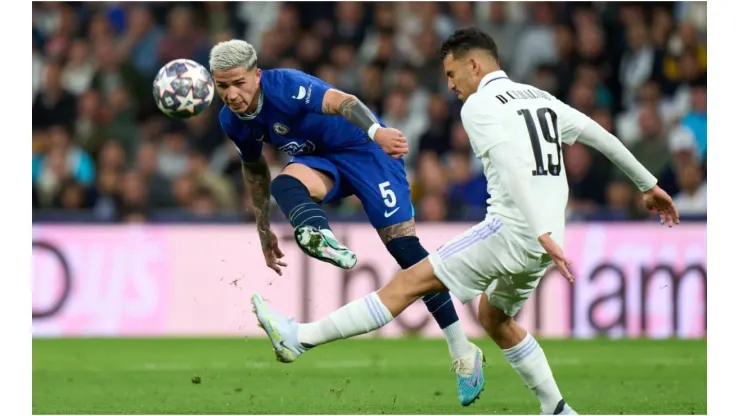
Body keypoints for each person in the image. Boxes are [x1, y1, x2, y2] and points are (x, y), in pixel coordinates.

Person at [251, 28, 680, 415]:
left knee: (410, 282)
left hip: (515, 232)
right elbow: (599, 136)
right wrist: (648, 184)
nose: (451, 86)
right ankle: (558, 409)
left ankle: (300, 338)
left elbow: (511, 166)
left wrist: (540, 231)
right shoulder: (540, 99)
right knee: (494, 318)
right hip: (544, 243)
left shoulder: (478, 107)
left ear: (474, 65)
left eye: (453, 74)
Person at [209, 39, 485, 406]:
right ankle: (319, 234)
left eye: (238, 83)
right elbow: (255, 170)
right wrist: (263, 230)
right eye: (222, 86)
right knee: (285, 184)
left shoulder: (286, 86)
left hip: (367, 152)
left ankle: (463, 351)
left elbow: (342, 101)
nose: (231, 94)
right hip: (323, 162)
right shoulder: (231, 121)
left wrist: (377, 133)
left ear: (256, 75)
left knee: (406, 252)